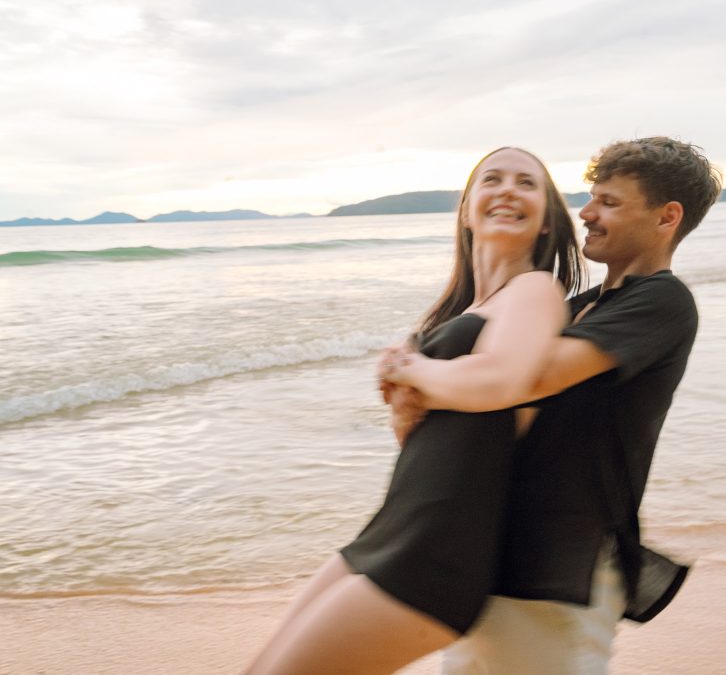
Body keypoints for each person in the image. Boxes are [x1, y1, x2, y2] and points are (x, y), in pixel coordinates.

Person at [382, 136, 722, 674]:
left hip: (561, 560)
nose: (586, 213)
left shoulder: (661, 301)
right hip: (500, 548)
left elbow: (525, 379)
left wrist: (412, 371)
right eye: (591, 198)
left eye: (608, 202)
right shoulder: (579, 306)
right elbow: (479, 411)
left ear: (667, 216)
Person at [245, 146, 584, 675]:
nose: (508, 190)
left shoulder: (536, 290)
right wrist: (404, 399)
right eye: (492, 179)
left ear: (546, 222)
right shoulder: (458, 314)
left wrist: (410, 373)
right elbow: (434, 441)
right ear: (468, 209)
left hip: (437, 553)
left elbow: (500, 380)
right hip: (389, 532)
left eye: (527, 183)